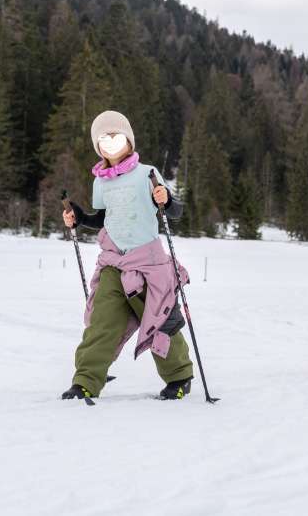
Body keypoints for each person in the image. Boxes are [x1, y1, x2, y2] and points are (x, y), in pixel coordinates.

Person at [61, 110, 194, 401]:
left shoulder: (147, 173)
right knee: (101, 322)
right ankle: (85, 381)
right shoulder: (101, 182)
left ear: (128, 140)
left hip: (147, 263)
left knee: (160, 321)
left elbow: (175, 211)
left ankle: (180, 376)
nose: (109, 143)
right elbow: (105, 219)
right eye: (103, 139)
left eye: (115, 137)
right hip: (113, 262)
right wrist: (80, 217)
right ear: (97, 146)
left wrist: (167, 199)